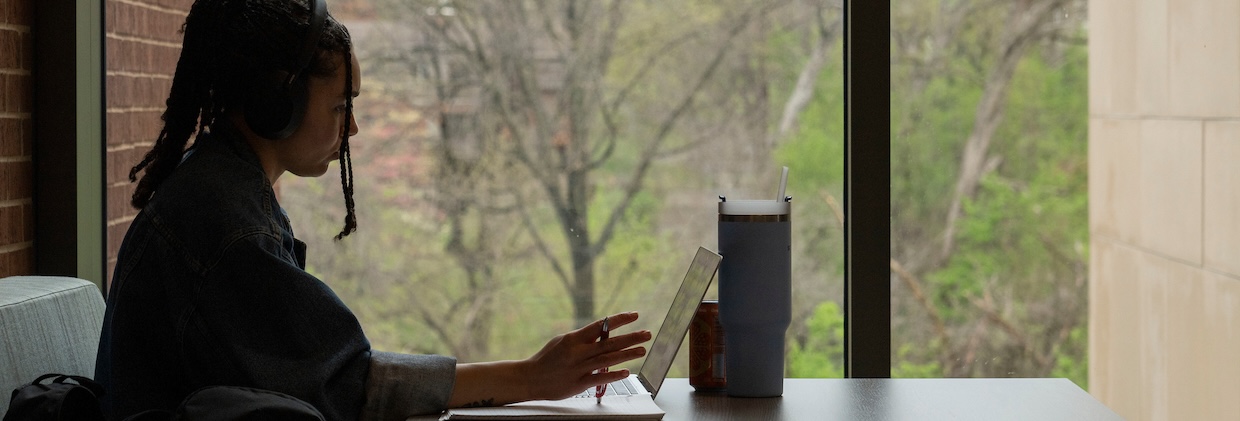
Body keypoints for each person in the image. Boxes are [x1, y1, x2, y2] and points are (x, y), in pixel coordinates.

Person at [93, 1, 651, 420]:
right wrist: (531, 377)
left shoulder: (221, 187)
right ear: (273, 104)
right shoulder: (229, 225)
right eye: (340, 106)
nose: (352, 126)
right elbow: (351, 385)